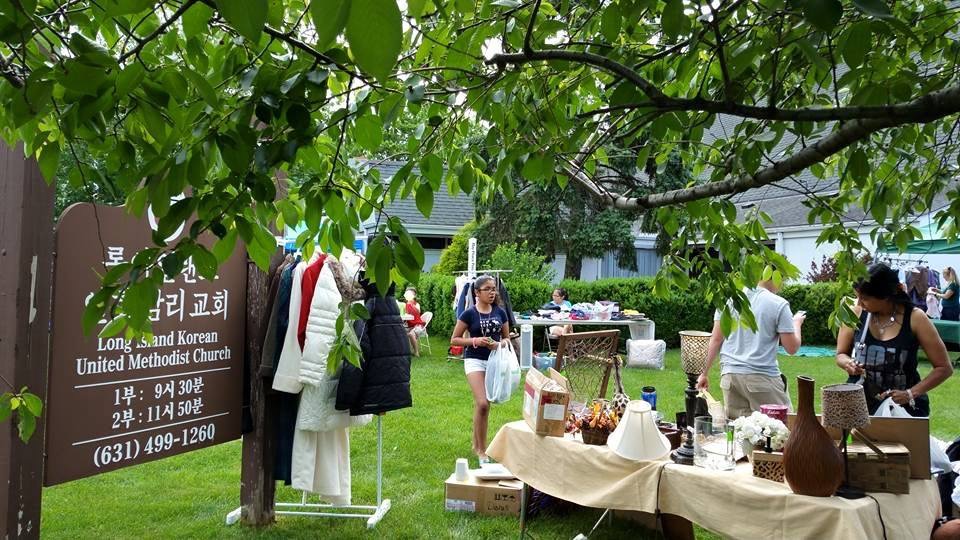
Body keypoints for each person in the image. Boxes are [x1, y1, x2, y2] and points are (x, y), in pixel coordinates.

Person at [835, 263, 953, 416]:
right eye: (858, 297)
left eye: (865, 298)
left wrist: (910, 393)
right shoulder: (855, 313)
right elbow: (840, 354)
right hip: (860, 406)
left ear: (886, 295)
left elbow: (944, 368)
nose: (859, 303)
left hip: (904, 410)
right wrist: (848, 364)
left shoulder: (915, 318)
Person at [696, 279, 805, 420]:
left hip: (730, 378)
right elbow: (792, 348)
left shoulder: (729, 300)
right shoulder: (778, 303)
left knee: (740, 430)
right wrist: (796, 323)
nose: (783, 284)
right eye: (783, 278)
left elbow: (716, 339)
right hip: (762, 378)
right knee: (780, 427)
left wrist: (703, 373)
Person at [450, 275, 510, 464]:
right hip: (474, 360)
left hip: (494, 361)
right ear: (477, 292)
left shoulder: (500, 312)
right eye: (487, 289)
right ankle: (481, 451)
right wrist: (476, 340)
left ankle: (477, 444)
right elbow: (454, 339)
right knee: (482, 403)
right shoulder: (469, 314)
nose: (492, 292)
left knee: (484, 406)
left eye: (494, 289)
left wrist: (498, 344)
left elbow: (507, 338)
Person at [403, 287, 426, 357]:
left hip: (418, 326)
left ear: (414, 295)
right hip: (409, 326)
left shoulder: (416, 305)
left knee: (411, 334)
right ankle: (404, 351)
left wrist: (410, 304)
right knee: (398, 331)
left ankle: (416, 352)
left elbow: (416, 312)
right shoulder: (406, 305)